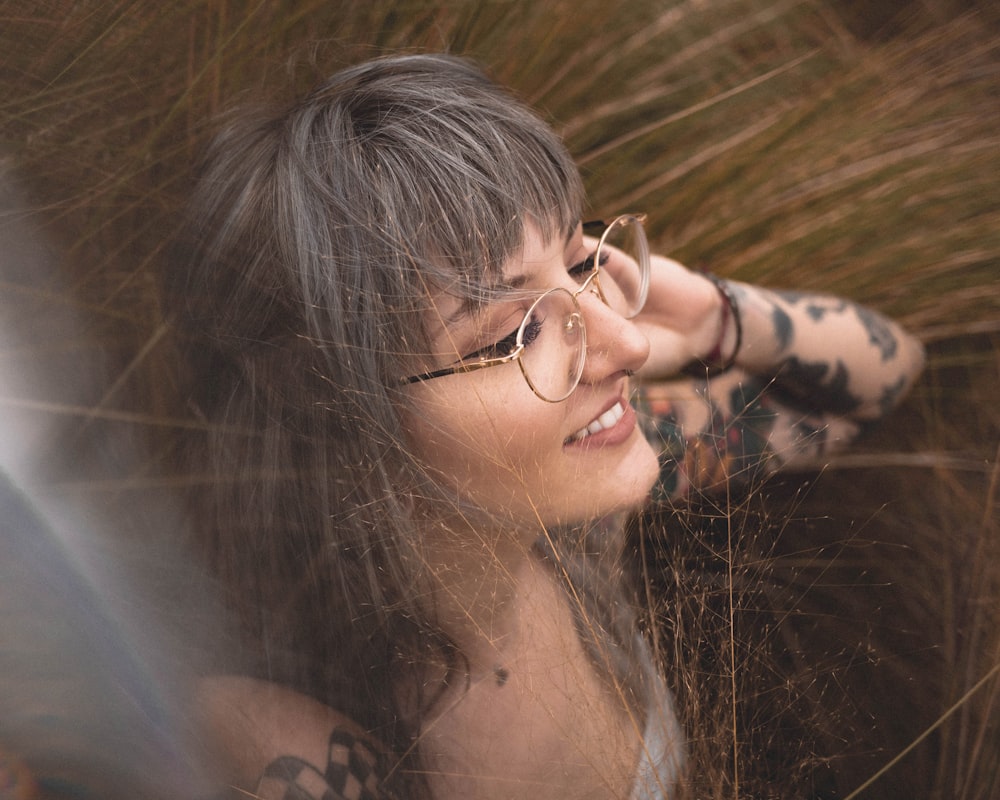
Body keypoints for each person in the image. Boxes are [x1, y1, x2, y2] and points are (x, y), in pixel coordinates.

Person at [171, 53, 925, 799]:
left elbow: (876, 380)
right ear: (341, 412)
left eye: (580, 263)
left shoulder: (570, 514)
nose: (628, 346)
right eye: (509, 335)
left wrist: (707, 319)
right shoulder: (313, 752)